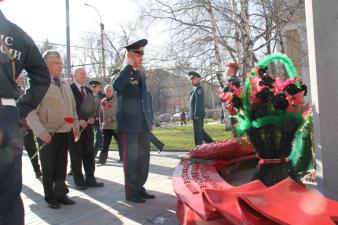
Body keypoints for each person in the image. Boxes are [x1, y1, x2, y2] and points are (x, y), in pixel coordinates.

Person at [0, 3, 51, 224]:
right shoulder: (18, 35)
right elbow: (42, 75)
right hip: (7, 118)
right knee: (9, 198)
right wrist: (17, 108)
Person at [27, 50, 79, 209]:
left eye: (60, 61)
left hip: (65, 131)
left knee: (61, 165)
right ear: (46, 64)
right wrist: (40, 132)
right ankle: (50, 197)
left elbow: (73, 107)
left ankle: (61, 194)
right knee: (48, 167)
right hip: (47, 133)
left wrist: (75, 126)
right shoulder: (39, 84)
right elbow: (30, 112)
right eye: (56, 62)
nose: (60, 65)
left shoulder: (65, 84)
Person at [113, 39, 155, 203]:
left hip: (143, 124)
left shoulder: (141, 73)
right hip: (129, 125)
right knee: (131, 159)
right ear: (130, 54)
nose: (142, 57)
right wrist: (128, 65)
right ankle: (131, 192)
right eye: (139, 54)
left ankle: (140, 187)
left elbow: (147, 98)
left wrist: (151, 120)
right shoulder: (121, 71)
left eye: (143, 54)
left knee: (143, 159)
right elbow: (117, 86)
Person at [69, 67, 104, 190]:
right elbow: (66, 110)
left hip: (88, 130)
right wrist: (77, 121)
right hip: (75, 129)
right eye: (81, 73)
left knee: (89, 155)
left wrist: (92, 117)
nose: (84, 75)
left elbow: (93, 109)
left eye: (85, 73)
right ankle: (79, 182)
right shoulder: (69, 89)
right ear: (74, 75)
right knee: (76, 156)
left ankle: (91, 179)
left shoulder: (89, 91)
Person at [15, 75, 42, 179]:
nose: (19, 80)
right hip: (16, 126)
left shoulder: (24, 90)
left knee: (32, 149)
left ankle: (37, 170)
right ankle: (16, 176)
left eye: (21, 79)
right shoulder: (9, 91)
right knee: (16, 153)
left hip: (27, 126)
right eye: (17, 79)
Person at [188, 71, 214, 146]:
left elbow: (198, 103)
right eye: (191, 79)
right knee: (201, 133)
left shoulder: (199, 89)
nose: (191, 80)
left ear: (197, 79)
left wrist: (196, 114)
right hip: (195, 115)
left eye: (193, 79)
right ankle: (213, 144)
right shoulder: (194, 89)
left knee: (198, 134)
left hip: (198, 115)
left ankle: (198, 149)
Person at [98, 84, 119, 164]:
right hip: (106, 127)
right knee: (105, 145)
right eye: (107, 91)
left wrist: (113, 118)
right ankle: (102, 161)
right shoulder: (102, 101)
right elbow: (100, 114)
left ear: (113, 91)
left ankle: (124, 158)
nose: (108, 92)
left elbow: (120, 112)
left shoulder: (117, 99)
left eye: (110, 90)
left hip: (115, 126)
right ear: (105, 92)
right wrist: (101, 125)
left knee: (120, 144)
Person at [89, 80, 105, 158]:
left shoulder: (104, 96)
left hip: (99, 120)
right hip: (89, 121)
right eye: (92, 87)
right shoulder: (88, 96)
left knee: (99, 138)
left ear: (99, 87)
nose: (94, 88)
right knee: (89, 139)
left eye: (95, 87)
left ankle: (93, 155)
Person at [224, 63, 241, 137]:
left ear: (232, 70)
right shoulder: (233, 79)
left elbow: (230, 92)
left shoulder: (234, 80)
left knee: (235, 128)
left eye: (228, 68)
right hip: (233, 107)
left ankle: (238, 145)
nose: (227, 70)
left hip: (234, 107)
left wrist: (223, 91)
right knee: (235, 128)